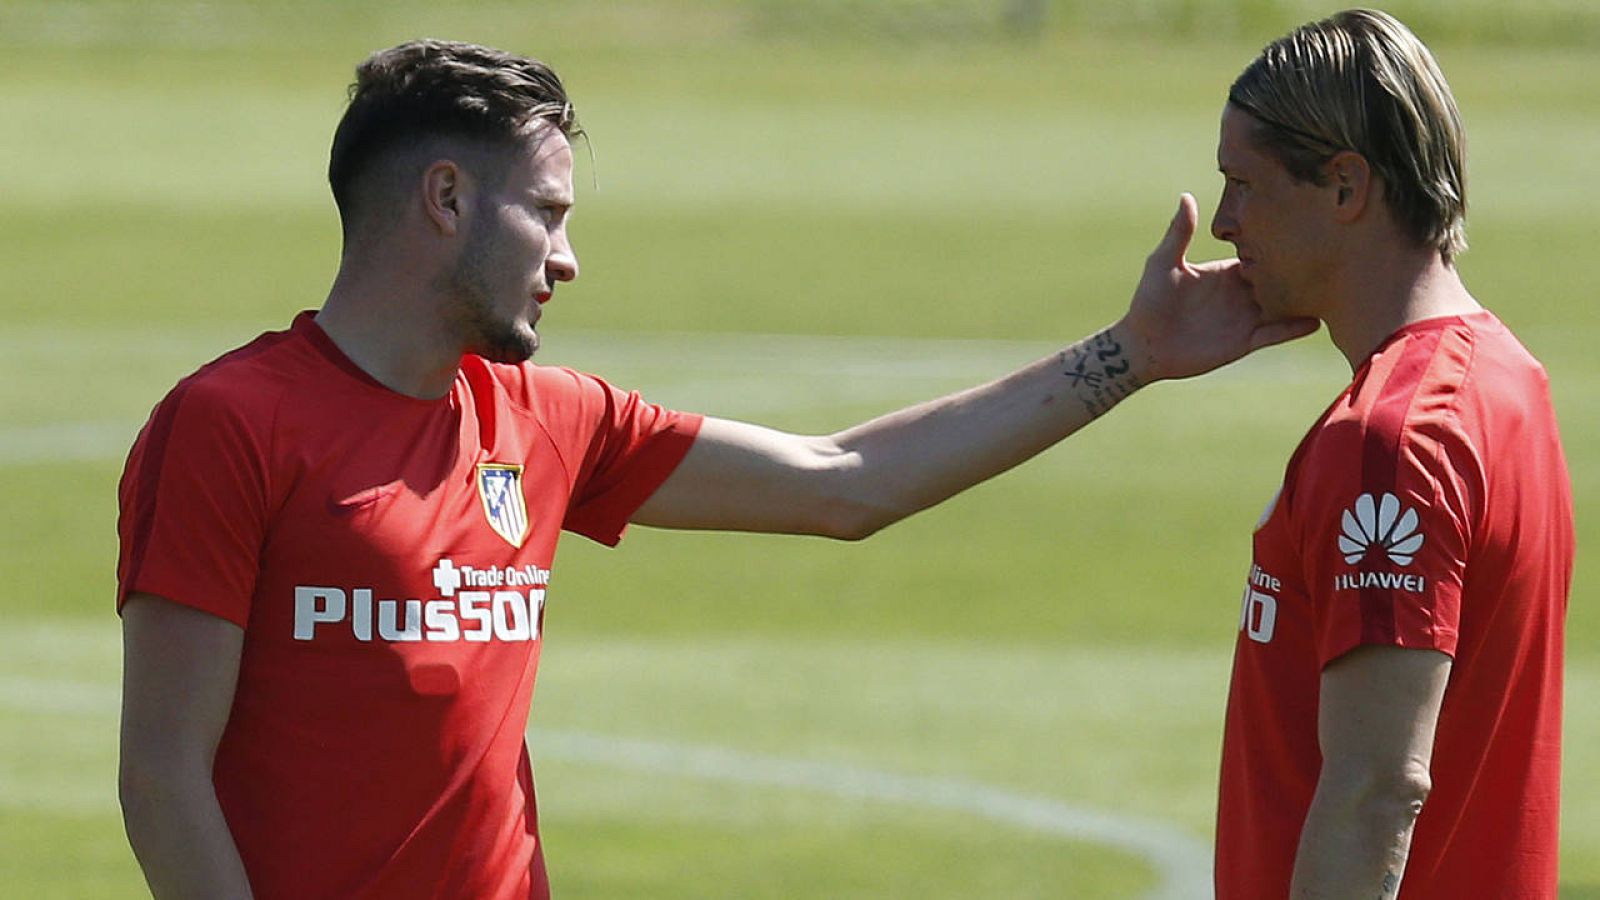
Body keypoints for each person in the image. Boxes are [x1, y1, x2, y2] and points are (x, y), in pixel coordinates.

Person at [115, 39, 1312, 900]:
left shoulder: (543, 419)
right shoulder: (230, 426)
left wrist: (1131, 356)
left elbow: (844, 480)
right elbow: (165, 777)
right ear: (443, 198)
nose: (569, 259)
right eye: (547, 212)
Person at [1208, 10, 1573, 899]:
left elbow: (1380, 790)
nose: (1223, 222)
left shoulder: (1391, 443)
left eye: (1245, 185)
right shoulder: (1505, 377)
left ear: (1345, 186)